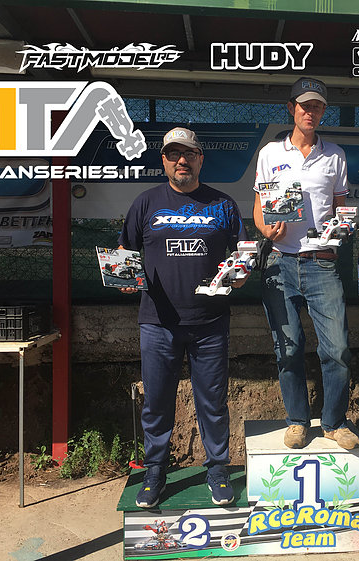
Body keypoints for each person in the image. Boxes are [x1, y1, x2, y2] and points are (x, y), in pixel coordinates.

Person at [119, 127, 246, 508]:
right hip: (158, 323)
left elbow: (242, 252)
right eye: (173, 154)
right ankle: (155, 471)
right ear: (163, 161)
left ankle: (217, 469)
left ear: (200, 159)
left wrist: (240, 273)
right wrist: (124, 276)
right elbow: (125, 250)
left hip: (210, 323)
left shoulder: (223, 204)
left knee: (213, 403)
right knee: (157, 403)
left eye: (189, 154)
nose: (182, 161)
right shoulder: (146, 202)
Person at [253, 77, 359, 450]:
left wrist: (340, 231)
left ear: (323, 111)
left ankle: (334, 423)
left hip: (321, 264)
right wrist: (266, 229)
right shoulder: (270, 153)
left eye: (316, 106)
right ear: (291, 108)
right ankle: (297, 421)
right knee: (288, 348)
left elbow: (342, 207)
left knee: (338, 349)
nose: (310, 112)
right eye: (304, 105)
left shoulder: (335, 155)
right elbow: (259, 207)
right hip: (279, 262)